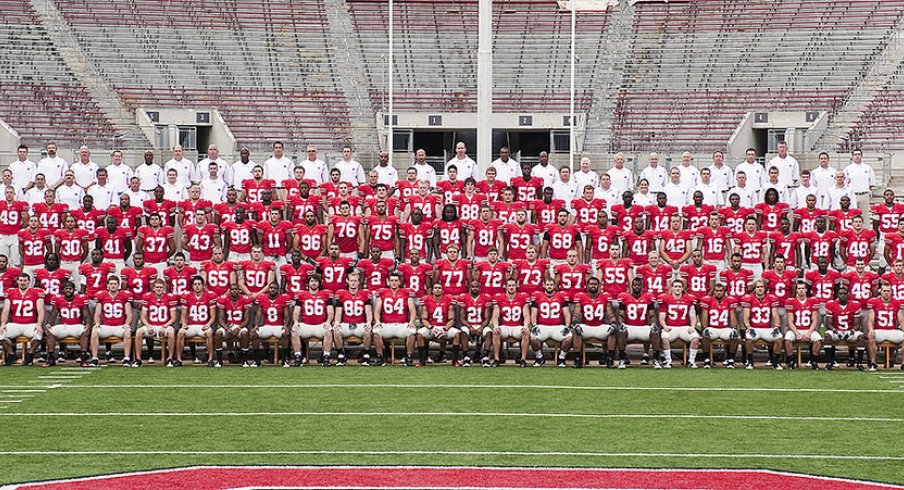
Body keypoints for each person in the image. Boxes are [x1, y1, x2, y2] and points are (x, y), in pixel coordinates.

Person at [373, 272, 417, 366]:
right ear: (388, 282)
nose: (394, 283)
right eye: (392, 280)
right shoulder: (383, 293)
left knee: (412, 331)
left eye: (396, 281)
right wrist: (377, 321)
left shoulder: (406, 293)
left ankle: (408, 357)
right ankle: (380, 357)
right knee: (376, 331)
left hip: (401, 324)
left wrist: (411, 321)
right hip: (387, 324)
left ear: (399, 282)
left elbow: (412, 310)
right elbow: (377, 311)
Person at [0, 272, 44, 365]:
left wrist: (39, 325)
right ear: (17, 281)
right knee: (1, 334)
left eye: (25, 280)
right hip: (15, 324)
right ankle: (12, 354)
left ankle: (30, 354)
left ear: (29, 282)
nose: (22, 282)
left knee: (39, 334)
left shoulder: (36, 292)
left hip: (30, 324)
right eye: (20, 280)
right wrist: (3, 324)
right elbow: (6, 310)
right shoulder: (11, 292)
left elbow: (41, 311)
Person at [90, 276, 133, 367]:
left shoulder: (124, 296)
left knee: (128, 332)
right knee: (94, 331)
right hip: (106, 326)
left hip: (119, 326)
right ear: (108, 286)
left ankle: (126, 358)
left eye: (115, 284)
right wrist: (97, 323)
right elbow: (97, 313)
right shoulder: (102, 296)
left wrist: (127, 324)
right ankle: (94, 358)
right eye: (111, 284)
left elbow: (129, 313)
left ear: (118, 285)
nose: (113, 286)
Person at [44, 280, 89, 367]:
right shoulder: (57, 299)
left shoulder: (81, 299)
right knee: (49, 331)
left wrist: (87, 324)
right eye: (66, 289)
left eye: (70, 288)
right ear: (62, 290)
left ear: (74, 290)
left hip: (77, 326)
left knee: (85, 331)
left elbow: (86, 314)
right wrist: (49, 324)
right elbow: (54, 313)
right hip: (64, 326)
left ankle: (83, 358)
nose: (68, 290)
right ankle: (51, 358)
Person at [658, 279, 701, 368]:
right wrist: (664, 326)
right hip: (671, 327)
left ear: (682, 289)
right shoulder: (666, 300)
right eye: (675, 286)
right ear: (672, 288)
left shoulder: (688, 300)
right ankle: (668, 361)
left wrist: (692, 326)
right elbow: (662, 316)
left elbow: (692, 315)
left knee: (695, 338)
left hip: (684, 327)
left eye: (679, 287)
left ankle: (691, 361)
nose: (677, 288)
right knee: (664, 337)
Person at [333, 272, 374, 366]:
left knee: (368, 331)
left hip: (359, 324)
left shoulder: (365, 294)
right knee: (336, 331)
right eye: (351, 280)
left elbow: (368, 311)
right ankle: (341, 355)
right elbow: (338, 312)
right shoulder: (341, 294)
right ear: (347, 281)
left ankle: (366, 355)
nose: (353, 283)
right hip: (346, 324)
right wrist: (337, 322)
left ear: (359, 282)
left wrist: (368, 322)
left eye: (355, 281)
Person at [294, 274, 335, 367]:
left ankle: (326, 357)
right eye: (312, 281)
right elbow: (296, 312)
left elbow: (331, 312)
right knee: (294, 330)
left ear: (319, 283)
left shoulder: (325, 294)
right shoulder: (301, 295)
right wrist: (296, 322)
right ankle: (298, 356)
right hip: (306, 325)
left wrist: (328, 321)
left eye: (316, 281)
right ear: (308, 283)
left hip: (320, 325)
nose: (314, 283)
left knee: (329, 331)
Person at [135, 279, 177, 367]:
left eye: (161, 287)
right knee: (139, 332)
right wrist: (147, 325)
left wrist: (165, 326)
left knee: (171, 332)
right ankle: (138, 359)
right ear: (153, 288)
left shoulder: (170, 298)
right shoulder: (147, 297)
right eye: (157, 287)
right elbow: (143, 316)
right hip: (152, 325)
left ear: (164, 288)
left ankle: (170, 359)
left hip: (164, 325)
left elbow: (173, 318)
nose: (159, 289)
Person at [742, 279, 782, 369]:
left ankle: (775, 362)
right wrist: (748, 327)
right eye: (758, 287)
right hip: (754, 328)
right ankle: (750, 361)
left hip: (766, 328)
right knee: (748, 339)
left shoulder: (771, 298)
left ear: (765, 289)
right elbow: (745, 317)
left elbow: (775, 315)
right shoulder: (749, 299)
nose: (760, 289)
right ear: (754, 289)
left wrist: (776, 327)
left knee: (779, 338)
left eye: (762, 287)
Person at [251, 281, 292, 367]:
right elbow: (258, 314)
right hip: (267, 326)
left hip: (278, 326)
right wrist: (256, 325)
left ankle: (284, 360)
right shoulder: (262, 298)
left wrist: (286, 325)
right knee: (254, 334)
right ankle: (256, 360)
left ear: (278, 290)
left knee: (285, 334)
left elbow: (287, 315)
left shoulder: (283, 299)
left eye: (275, 288)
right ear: (268, 289)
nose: (273, 290)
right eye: (271, 288)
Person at [491, 277, 531, 368]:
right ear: (505, 287)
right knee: (495, 332)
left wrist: (525, 326)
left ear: (517, 286)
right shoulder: (499, 297)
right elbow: (495, 315)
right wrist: (496, 326)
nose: (511, 287)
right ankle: (496, 359)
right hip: (505, 326)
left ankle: (523, 359)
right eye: (509, 285)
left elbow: (526, 315)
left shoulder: (522, 297)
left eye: (513, 285)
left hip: (517, 326)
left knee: (526, 333)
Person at [823, 284, 864, 370]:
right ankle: (829, 362)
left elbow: (857, 324)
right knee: (827, 336)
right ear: (837, 295)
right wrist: (835, 331)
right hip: (836, 330)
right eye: (840, 294)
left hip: (849, 331)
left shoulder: (855, 305)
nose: (842, 296)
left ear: (848, 294)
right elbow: (829, 324)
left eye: (844, 294)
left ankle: (859, 364)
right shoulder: (831, 304)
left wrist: (851, 332)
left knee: (861, 337)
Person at [417, 282, 458, 366]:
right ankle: (422, 360)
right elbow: (424, 319)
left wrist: (445, 329)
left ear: (443, 291)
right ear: (432, 290)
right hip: (432, 326)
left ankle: (455, 361)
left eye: (439, 288)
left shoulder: (448, 300)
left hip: (444, 326)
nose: (437, 289)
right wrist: (431, 327)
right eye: (435, 288)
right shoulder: (427, 300)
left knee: (457, 334)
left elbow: (452, 319)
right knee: (420, 334)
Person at [700, 283, 739, 369]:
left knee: (735, 334)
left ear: (724, 292)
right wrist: (705, 327)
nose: (719, 293)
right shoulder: (708, 300)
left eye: (721, 291)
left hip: (724, 328)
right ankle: (706, 359)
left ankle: (731, 359)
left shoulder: (729, 301)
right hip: (713, 328)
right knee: (705, 334)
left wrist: (733, 328)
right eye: (717, 291)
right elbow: (704, 316)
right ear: (713, 291)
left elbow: (732, 317)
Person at [783, 281, 821, 370]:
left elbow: (815, 320)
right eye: (799, 288)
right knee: (787, 339)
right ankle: (791, 360)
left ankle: (814, 361)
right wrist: (797, 333)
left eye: (803, 288)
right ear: (796, 290)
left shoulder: (812, 301)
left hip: (808, 329)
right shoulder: (791, 301)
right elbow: (790, 321)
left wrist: (809, 333)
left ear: (806, 290)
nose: (801, 290)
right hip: (795, 329)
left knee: (818, 340)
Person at [866, 283, 903, 372]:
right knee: (870, 337)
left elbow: (901, 320)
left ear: (891, 292)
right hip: (879, 330)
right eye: (884, 291)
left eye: (888, 291)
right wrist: (871, 329)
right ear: (881, 292)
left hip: (892, 330)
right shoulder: (874, 302)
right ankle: (873, 363)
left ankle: (903, 364)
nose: (886, 293)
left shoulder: (897, 303)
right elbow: (871, 319)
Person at [216, 283, 253, 366]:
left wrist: (239, 328)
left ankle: (245, 361)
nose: (234, 291)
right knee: (218, 333)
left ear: (239, 291)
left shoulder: (245, 300)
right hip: (228, 325)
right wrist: (226, 328)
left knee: (244, 333)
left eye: (236, 289)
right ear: (229, 291)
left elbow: (247, 319)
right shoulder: (223, 300)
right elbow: (220, 318)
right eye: (232, 289)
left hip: (240, 325)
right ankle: (219, 361)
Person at [843, 149, 875, 217]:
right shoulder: (847, 169)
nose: (857, 156)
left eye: (859, 154)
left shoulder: (868, 168)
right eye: (855, 154)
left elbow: (871, 183)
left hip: (864, 195)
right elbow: (844, 183)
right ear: (852, 156)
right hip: (852, 195)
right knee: (852, 216)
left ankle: (866, 228)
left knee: (865, 216)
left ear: (861, 156)